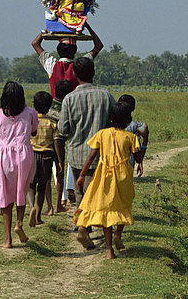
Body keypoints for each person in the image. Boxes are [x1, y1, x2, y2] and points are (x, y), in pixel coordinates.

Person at [75, 102, 149, 259]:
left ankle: (109, 250)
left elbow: (92, 155)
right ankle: (118, 234)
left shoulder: (102, 134)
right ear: (128, 120)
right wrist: (146, 139)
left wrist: (82, 175)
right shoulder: (131, 137)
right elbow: (139, 158)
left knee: (106, 209)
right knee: (123, 204)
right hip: (123, 177)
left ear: (110, 119)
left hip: (104, 176)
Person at [57, 57, 115, 243]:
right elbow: (114, 123)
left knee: (81, 191)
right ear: (94, 72)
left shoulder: (69, 99)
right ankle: (83, 225)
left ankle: (83, 224)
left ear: (74, 74)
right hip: (99, 154)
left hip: (76, 154)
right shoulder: (106, 95)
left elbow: (63, 129)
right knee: (93, 192)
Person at [0, 81, 38, 248]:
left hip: (3, 158)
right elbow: (34, 131)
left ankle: (7, 240)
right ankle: (19, 223)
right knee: (21, 191)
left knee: (6, 198)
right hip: (24, 156)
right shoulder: (30, 112)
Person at [31, 22, 103, 98]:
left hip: (56, 108)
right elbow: (98, 46)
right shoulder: (80, 65)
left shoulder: (52, 65)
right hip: (75, 107)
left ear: (58, 51)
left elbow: (35, 43)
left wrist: (50, 27)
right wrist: (88, 26)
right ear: (74, 51)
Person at [28, 91, 60, 226]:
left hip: (32, 155)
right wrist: (59, 161)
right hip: (47, 156)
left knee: (30, 185)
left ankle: (31, 207)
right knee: (42, 186)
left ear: (34, 105)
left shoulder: (30, 121)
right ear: (49, 107)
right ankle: (38, 216)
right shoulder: (52, 123)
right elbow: (56, 143)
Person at [47, 79, 74, 211]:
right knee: (60, 171)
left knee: (47, 176)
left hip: (46, 144)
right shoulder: (67, 107)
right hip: (59, 144)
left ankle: (51, 205)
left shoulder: (49, 105)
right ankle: (60, 202)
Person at [118, 94, 148, 177]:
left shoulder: (111, 123)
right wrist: (145, 139)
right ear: (133, 108)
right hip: (128, 165)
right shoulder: (134, 126)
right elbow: (137, 147)